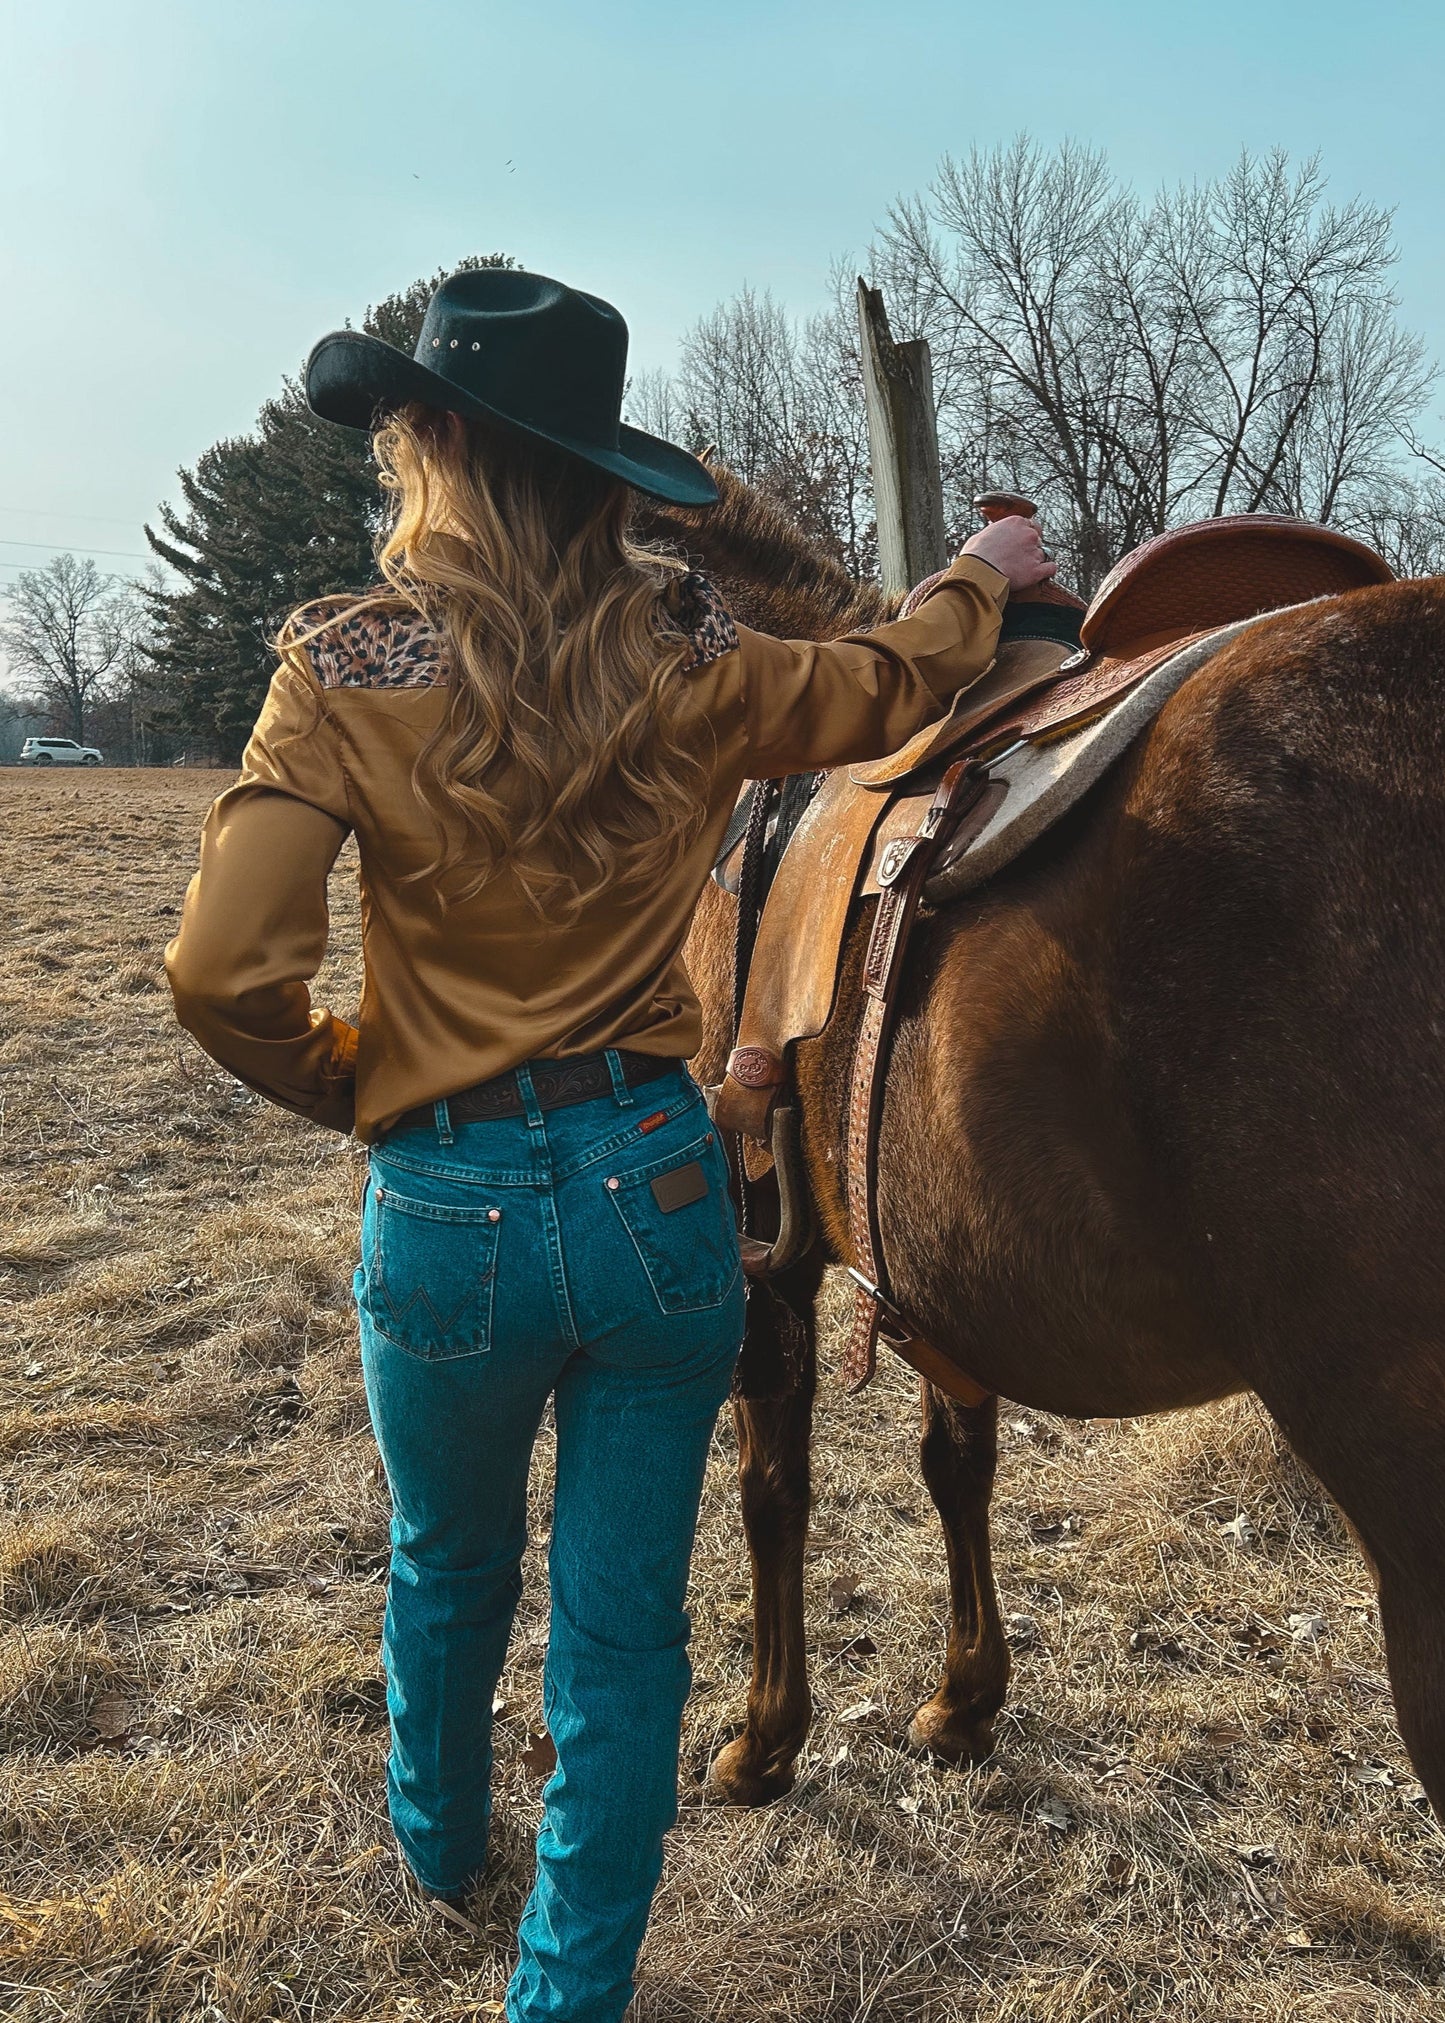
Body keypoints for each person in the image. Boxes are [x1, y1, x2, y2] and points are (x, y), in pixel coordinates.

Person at [164, 267, 1054, 2023]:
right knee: (627, 1633)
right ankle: (567, 1998)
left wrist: (385, 1079)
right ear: (598, 472)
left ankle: (435, 1843)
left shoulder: (343, 668)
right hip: (657, 1189)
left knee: (445, 1559)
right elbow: (890, 683)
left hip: (447, 1204)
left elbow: (220, 975)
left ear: (425, 441)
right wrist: (981, 583)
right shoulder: (691, 654)